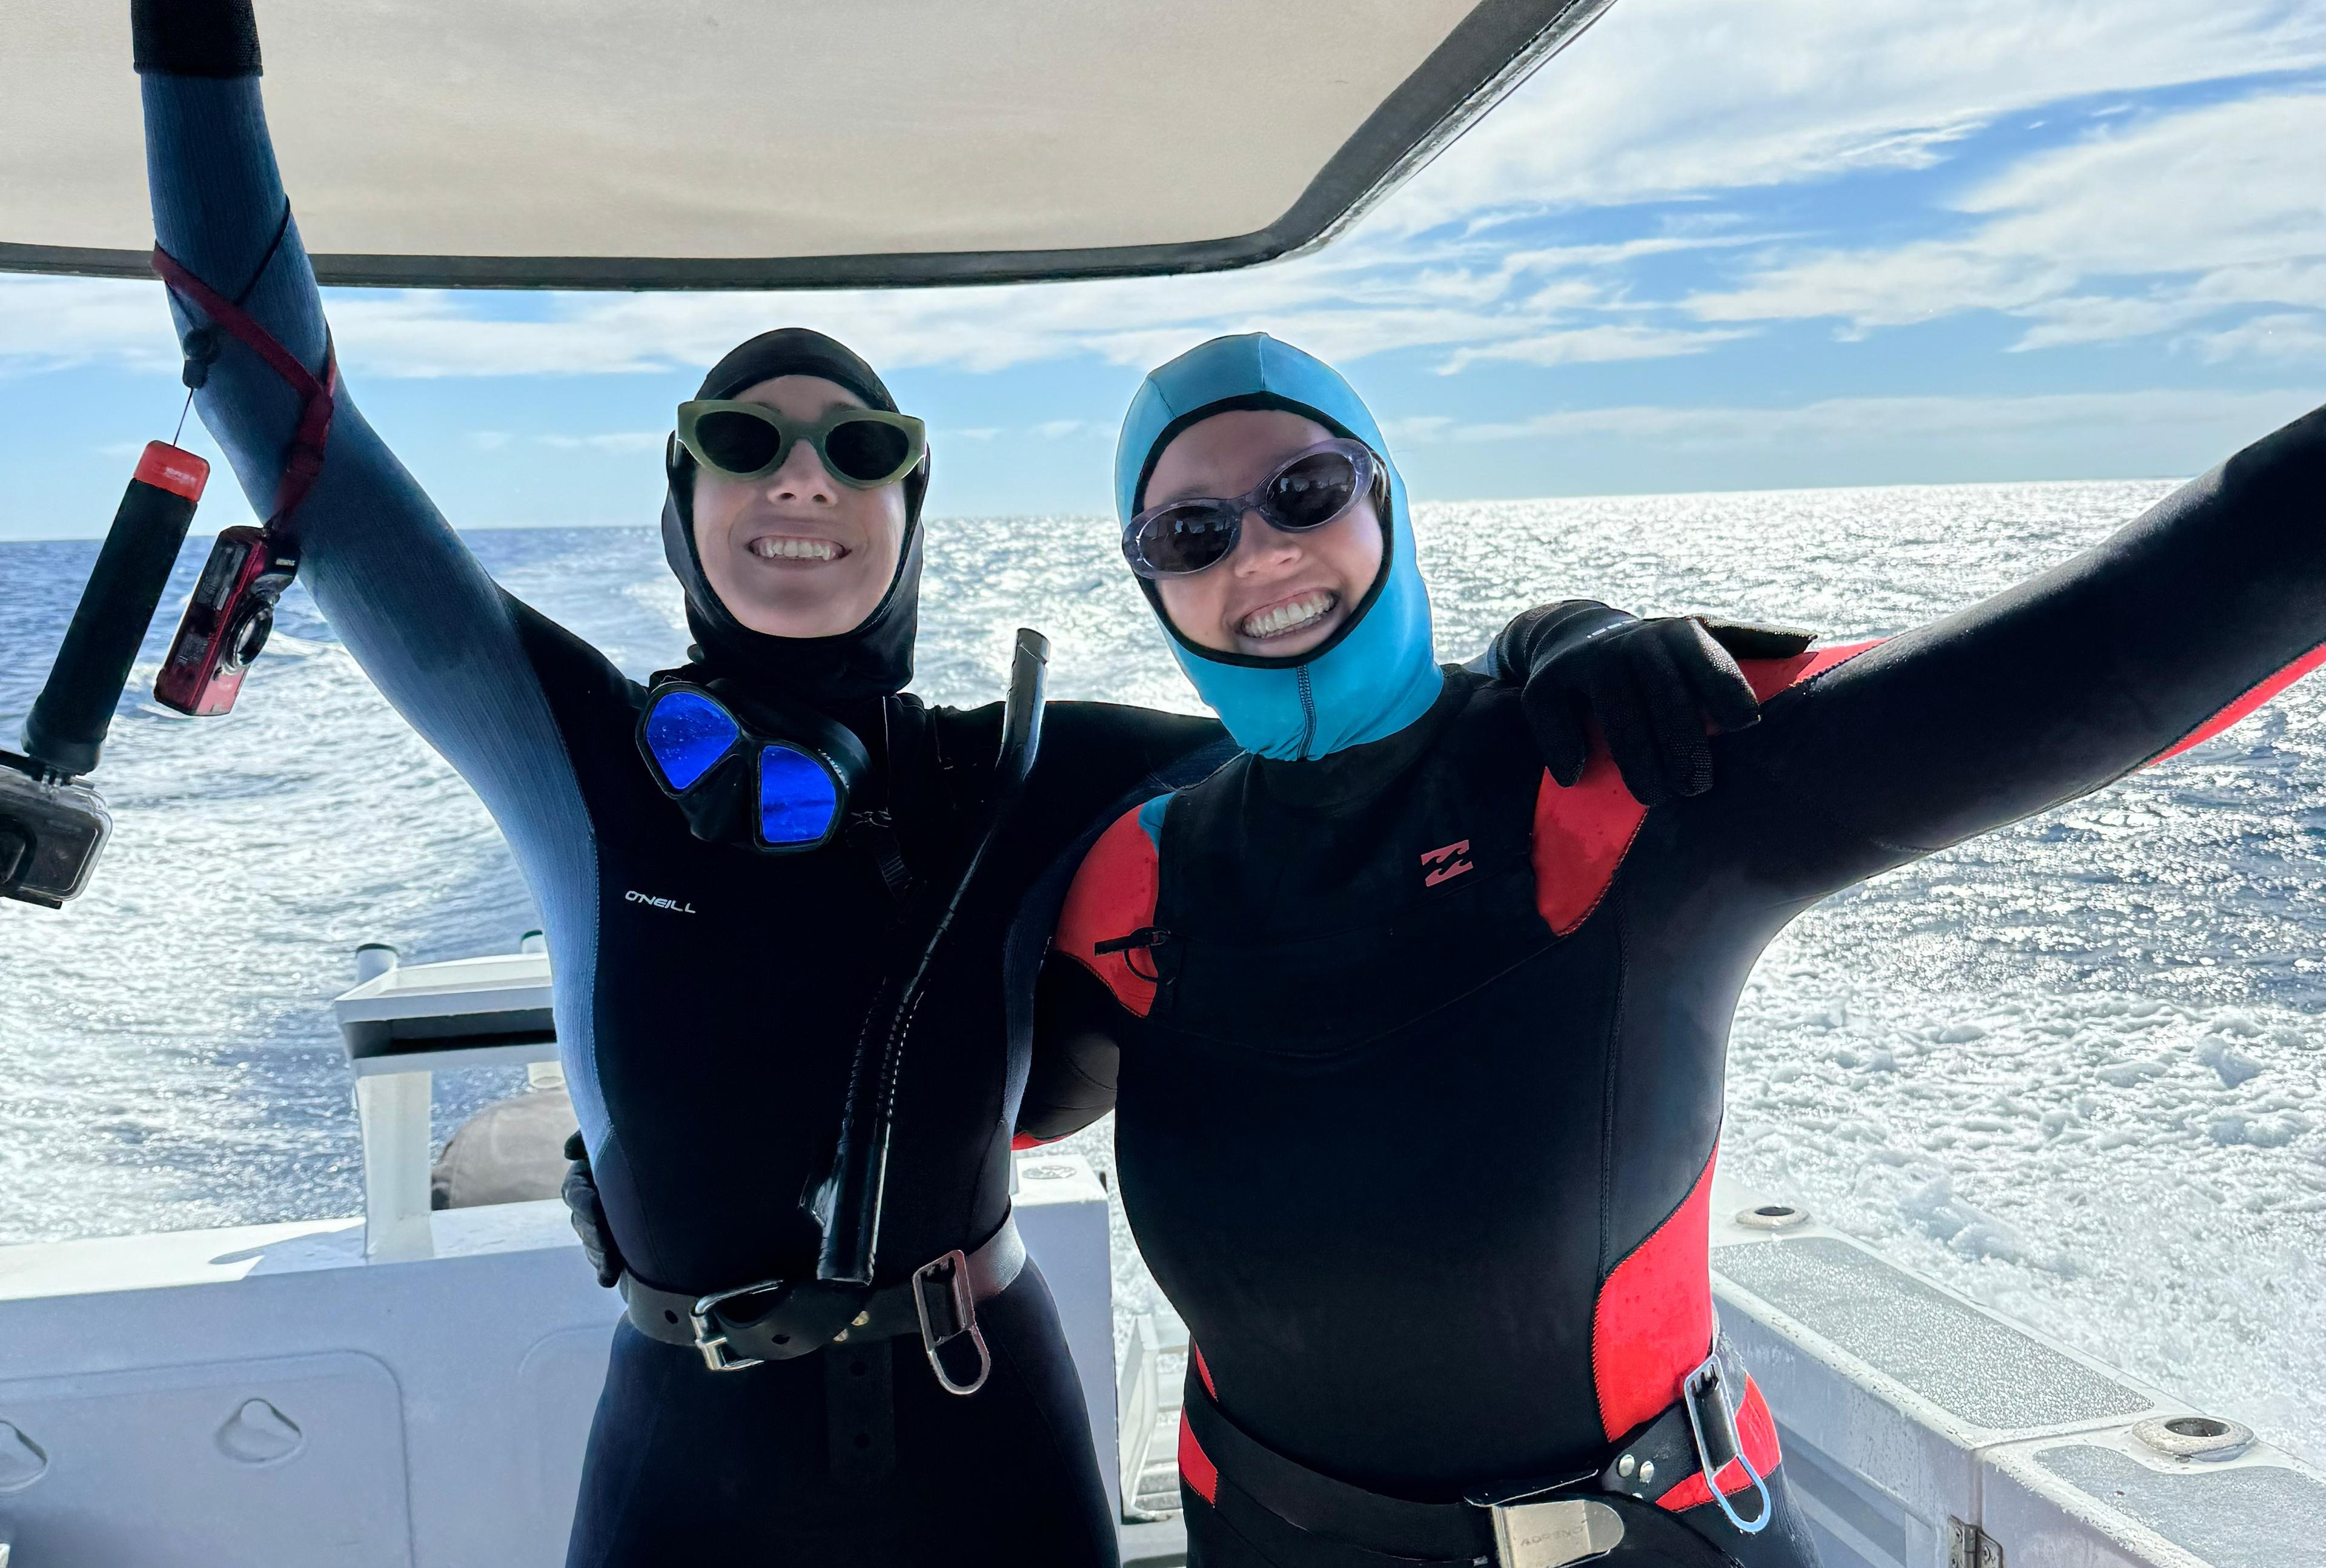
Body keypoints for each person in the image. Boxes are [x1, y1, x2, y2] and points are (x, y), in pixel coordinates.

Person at [128, 8, 1789, 1560]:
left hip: (990, 1437)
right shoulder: (569, 747)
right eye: (743, 442)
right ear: (681, 503)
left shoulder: (1029, 768)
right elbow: (276, 411)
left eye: (861, 448)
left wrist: (1555, 643)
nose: (803, 479)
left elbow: (1345, 729)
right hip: (681, 1463)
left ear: (913, 510)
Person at [1024, 331, 2326, 1568]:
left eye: (1307, 488)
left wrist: (1560, 642)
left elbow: (2110, 650)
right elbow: (935, 1091)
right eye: (1191, 529)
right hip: (1261, 1536)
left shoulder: (1620, 770)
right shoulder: (1140, 871)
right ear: (1153, 580)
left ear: (1389, 502)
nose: (1259, 550)